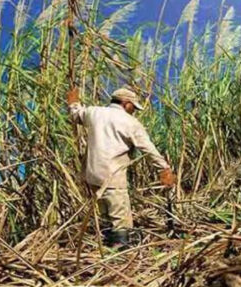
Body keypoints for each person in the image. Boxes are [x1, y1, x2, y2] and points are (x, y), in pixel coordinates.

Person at [67, 87, 176, 248]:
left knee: (104, 214)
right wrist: (164, 168)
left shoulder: (93, 112)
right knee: (120, 219)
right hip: (113, 176)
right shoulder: (130, 122)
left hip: (92, 175)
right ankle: (120, 252)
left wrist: (73, 102)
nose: (134, 111)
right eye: (133, 107)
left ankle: (105, 246)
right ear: (126, 104)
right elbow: (148, 148)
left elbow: (76, 114)